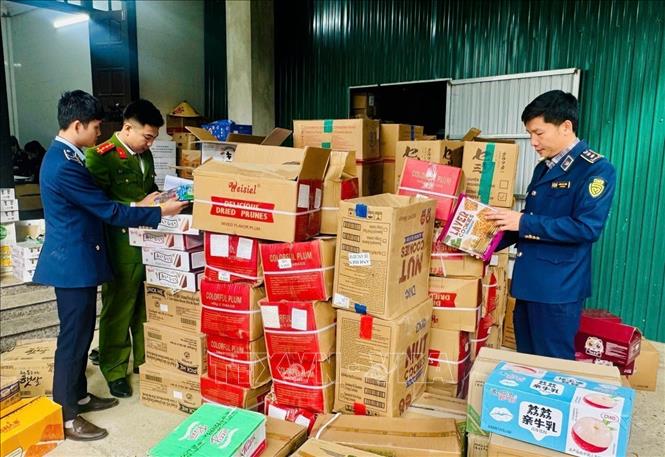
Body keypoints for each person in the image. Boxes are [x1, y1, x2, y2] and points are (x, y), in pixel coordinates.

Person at [32, 90, 187, 441]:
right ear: (77, 125)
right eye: (96, 126)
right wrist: (157, 212)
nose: (99, 133)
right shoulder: (64, 164)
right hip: (72, 263)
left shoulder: (66, 157)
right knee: (73, 340)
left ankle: (79, 396)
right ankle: (67, 416)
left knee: (83, 334)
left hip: (81, 260)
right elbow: (108, 210)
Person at [486, 90, 616, 360]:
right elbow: (529, 221)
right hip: (528, 285)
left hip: (558, 289)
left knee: (553, 364)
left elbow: (586, 228)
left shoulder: (595, 169)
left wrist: (523, 221)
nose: (533, 142)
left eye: (538, 133)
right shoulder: (544, 167)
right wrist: (484, 241)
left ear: (566, 126)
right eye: (530, 134)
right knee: (527, 361)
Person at [84, 99, 163, 398]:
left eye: (153, 138)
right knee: (118, 307)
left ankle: (145, 360)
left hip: (148, 242)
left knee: (145, 305)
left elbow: (148, 190)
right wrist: (136, 205)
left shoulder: (145, 155)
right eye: (147, 137)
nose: (150, 143)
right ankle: (115, 368)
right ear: (128, 128)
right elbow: (96, 205)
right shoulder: (100, 157)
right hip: (118, 245)